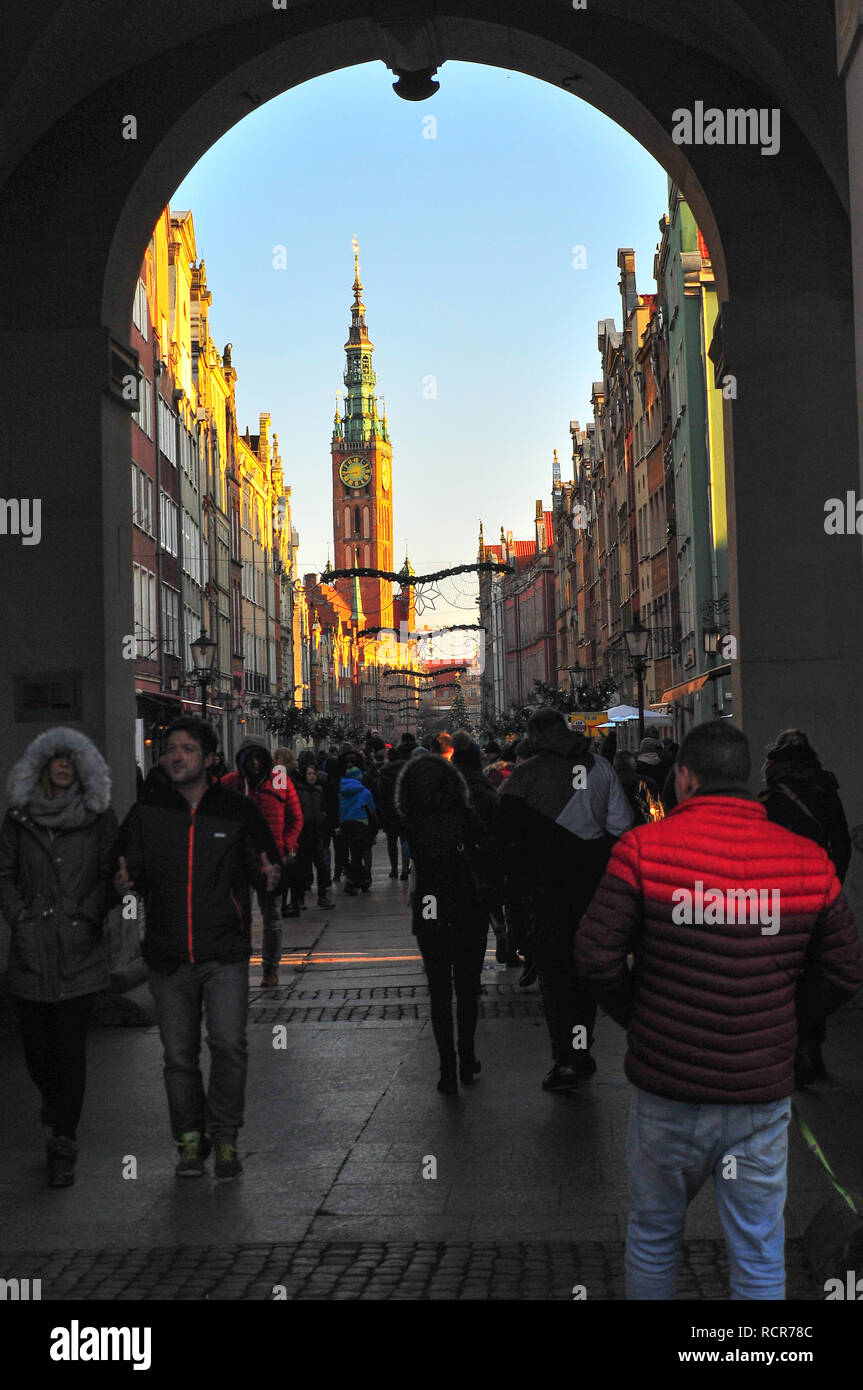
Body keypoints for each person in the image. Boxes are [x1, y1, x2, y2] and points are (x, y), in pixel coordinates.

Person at [575, 720, 863, 1301]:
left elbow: (595, 956)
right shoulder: (806, 861)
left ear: (684, 778)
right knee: (758, 1247)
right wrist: (783, 1017)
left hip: (668, 1091)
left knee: (655, 1236)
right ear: (750, 777)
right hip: (757, 1095)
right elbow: (845, 970)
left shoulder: (642, 851)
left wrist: (642, 1016)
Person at [114, 717, 281, 1181]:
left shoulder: (236, 811)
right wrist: (123, 879)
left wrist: (271, 874)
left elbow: (265, 861)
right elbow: (128, 865)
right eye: (170, 748)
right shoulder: (148, 811)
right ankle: (189, 1140)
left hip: (223, 952)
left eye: (187, 748)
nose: (176, 755)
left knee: (228, 1045)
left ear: (209, 759)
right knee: (179, 1056)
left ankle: (225, 1137)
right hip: (168, 955)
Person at [0, 728, 117, 1187]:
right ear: (42, 765)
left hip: (79, 949)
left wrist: (88, 915)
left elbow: (109, 874)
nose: (65, 766)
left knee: (70, 1050)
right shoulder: (18, 819)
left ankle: (63, 1141)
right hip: (32, 949)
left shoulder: (97, 818)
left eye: (72, 760)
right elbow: (4, 874)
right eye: (57, 759)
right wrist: (21, 919)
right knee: (35, 1049)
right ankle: (53, 1100)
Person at [498, 707, 632, 1092]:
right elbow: (622, 828)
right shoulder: (601, 768)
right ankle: (581, 1048)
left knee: (556, 977)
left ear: (535, 736)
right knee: (585, 973)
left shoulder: (524, 776)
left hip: (546, 892)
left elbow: (506, 838)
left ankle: (567, 1060)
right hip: (592, 889)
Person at [396, 753, 502, 1093]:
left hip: (429, 909)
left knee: (439, 992)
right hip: (467, 908)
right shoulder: (464, 815)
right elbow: (487, 853)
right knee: (467, 988)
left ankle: (446, 1068)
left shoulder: (413, 820)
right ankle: (467, 1056)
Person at [759, 728, 852, 1083]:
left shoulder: (769, 797)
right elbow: (840, 841)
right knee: (818, 965)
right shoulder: (825, 790)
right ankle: (813, 1044)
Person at [222, 738, 302, 987]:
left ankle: (271, 968)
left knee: (273, 919)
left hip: (272, 860)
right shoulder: (231, 783)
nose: (255, 763)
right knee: (238, 918)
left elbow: (295, 818)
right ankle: (239, 969)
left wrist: (284, 846)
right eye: (250, 758)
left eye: (259, 757)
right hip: (238, 862)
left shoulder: (279, 781)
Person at [287, 751, 334, 913]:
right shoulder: (298, 790)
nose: (312, 776)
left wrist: (323, 816)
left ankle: (322, 897)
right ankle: (299, 899)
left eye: (314, 773)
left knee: (322, 866)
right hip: (301, 834)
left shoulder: (319, 790)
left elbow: (323, 807)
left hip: (315, 833)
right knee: (300, 869)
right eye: (309, 773)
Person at [339, 759, 376, 895]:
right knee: (363, 852)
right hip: (361, 824)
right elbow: (372, 809)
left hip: (346, 824)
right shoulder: (364, 792)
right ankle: (361, 878)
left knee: (354, 853)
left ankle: (354, 880)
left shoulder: (341, 791)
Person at [377, 744, 412, 879]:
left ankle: (393, 869)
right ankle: (404, 868)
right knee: (404, 840)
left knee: (391, 842)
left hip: (389, 811)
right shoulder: (406, 771)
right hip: (403, 810)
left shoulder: (384, 772)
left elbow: (380, 794)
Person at [614, 749, 661, 826]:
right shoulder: (645, 782)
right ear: (633, 764)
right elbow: (657, 809)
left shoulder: (607, 782)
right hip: (642, 827)